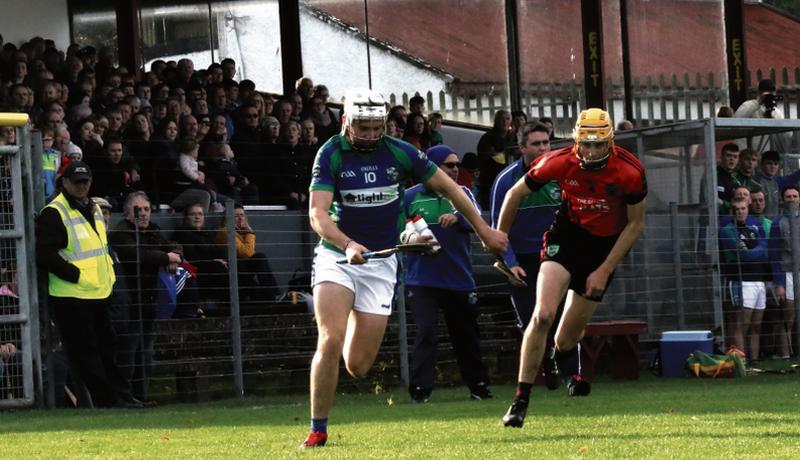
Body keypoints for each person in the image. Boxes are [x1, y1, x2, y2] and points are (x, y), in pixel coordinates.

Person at [302, 88, 507, 448]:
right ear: (347, 122)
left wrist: (485, 230)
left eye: (374, 127)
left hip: (381, 265)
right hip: (338, 258)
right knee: (329, 340)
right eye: (361, 127)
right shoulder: (331, 152)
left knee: (358, 366)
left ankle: (352, 317)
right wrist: (347, 244)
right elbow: (317, 213)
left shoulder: (400, 152)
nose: (368, 134)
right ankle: (318, 430)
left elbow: (453, 189)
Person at [496, 108, 646, 428]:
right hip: (567, 237)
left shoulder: (629, 171)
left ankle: (553, 355)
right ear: (577, 140)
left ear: (611, 142)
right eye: (586, 144)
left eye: (599, 145)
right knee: (543, 314)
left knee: (566, 340)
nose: (591, 152)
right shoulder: (559, 160)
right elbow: (513, 194)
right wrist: (500, 236)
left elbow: (635, 225)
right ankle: (520, 400)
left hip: (604, 249)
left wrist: (604, 270)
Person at [35, 161, 142, 408]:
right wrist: (74, 275)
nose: (81, 186)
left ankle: (122, 397)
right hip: (72, 295)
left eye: (85, 182)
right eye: (76, 182)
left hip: (97, 291)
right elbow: (45, 254)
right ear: (65, 182)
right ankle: (108, 400)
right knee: (88, 353)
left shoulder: (92, 207)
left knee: (107, 348)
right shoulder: (55, 212)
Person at [490, 123, 578, 391]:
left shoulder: (561, 175)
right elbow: (497, 230)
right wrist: (511, 264)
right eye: (536, 144)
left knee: (565, 317)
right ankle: (538, 372)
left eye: (546, 143)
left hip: (557, 258)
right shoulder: (506, 180)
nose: (543, 148)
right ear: (522, 148)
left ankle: (571, 377)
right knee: (535, 320)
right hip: (524, 264)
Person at [404, 145, 492, 403]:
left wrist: (459, 219)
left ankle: (478, 386)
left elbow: (479, 221)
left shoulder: (463, 194)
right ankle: (420, 391)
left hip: (459, 279)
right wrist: (411, 239)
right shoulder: (410, 197)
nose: (455, 170)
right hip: (422, 280)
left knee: (466, 334)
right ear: (432, 167)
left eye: (457, 165)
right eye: (449, 165)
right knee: (426, 333)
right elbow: (397, 230)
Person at [109, 191, 183, 402]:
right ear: (126, 213)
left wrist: (173, 258)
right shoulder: (121, 233)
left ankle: (141, 397)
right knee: (129, 354)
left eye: (146, 209)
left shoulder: (153, 231)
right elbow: (137, 254)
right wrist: (165, 257)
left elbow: (175, 246)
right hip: (129, 305)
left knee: (146, 355)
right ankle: (125, 398)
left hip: (148, 303)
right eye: (138, 209)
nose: (143, 214)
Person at [719, 197, 769, 363]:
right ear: (732, 211)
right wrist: (754, 251)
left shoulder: (754, 227)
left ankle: (754, 360)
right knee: (742, 323)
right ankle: (741, 361)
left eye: (742, 208)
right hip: (742, 281)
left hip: (759, 280)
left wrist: (752, 251)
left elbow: (765, 249)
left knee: (757, 324)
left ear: (747, 209)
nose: (740, 212)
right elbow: (742, 254)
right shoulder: (727, 230)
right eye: (736, 209)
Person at [215, 204, 279, 302]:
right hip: (232, 270)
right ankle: (272, 295)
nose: (240, 219)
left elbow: (249, 253)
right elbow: (247, 253)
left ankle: (273, 294)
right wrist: (250, 233)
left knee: (259, 258)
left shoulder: (240, 232)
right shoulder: (225, 231)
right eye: (236, 216)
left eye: (242, 215)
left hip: (242, 268)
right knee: (259, 258)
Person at [769, 186, 800, 360]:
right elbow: (773, 254)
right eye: (788, 196)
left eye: (795, 196)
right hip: (787, 272)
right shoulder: (777, 223)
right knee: (788, 316)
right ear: (783, 200)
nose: (792, 199)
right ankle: (787, 354)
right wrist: (779, 283)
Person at [734, 79, 788, 153]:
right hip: (746, 152)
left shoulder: (776, 112)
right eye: (766, 91)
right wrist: (759, 103)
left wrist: (773, 115)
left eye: (771, 92)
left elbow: (787, 134)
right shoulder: (749, 105)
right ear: (759, 93)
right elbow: (736, 118)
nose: (769, 94)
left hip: (764, 154)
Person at [754, 150, 800, 219]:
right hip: (758, 222)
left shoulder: (777, 180)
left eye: (776, 164)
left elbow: (793, 178)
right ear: (762, 164)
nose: (773, 166)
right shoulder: (755, 181)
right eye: (769, 163)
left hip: (774, 223)